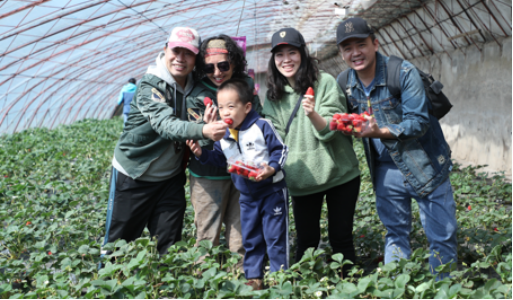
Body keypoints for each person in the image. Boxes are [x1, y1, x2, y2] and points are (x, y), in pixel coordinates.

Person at [336, 17, 457, 277]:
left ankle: (443, 288)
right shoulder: (345, 83)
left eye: (361, 44)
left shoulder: (401, 72)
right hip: (385, 172)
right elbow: (336, 120)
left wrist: (379, 131)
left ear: (375, 43)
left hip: (427, 167)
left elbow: (419, 122)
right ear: (341, 53)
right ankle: (395, 289)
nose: (355, 53)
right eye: (347, 48)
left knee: (442, 237)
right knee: (395, 234)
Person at [102, 27, 228, 257]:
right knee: (117, 246)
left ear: (196, 58)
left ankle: (164, 291)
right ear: (165, 50)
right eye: (175, 50)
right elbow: (166, 125)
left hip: (170, 180)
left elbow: (201, 134)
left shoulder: (198, 88)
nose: (180, 58)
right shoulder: (150, 85)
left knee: (168, 247)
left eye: (188, 53)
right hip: (134, 176)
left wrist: (206, 126)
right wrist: (204, 128)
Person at [261, 28, 361, 276]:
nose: (286, 59)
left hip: (340, 175)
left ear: (303, 54)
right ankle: (304, 289)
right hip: (301, 180)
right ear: (273, 60)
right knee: (306, 242)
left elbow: (331, 129)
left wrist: (312, 113)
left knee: (342, 239)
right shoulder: (273, 94)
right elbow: (274, 139)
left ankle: (351, 289)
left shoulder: (325, 82)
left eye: (292, 52)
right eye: (279, 54)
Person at [186, 78, 289, 290]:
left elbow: (281, 150)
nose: (225, 113)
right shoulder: (223, 135)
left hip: (272, 191)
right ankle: (254, 277)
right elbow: (220, 159)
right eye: (221, 107)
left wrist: (271, 168)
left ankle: (281, 278)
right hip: (247, 196)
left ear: (247, 107)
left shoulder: (262, 126)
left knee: (275, 236)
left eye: (231, 107)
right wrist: (201, 153)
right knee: (250, 237)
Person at [185, 35, 263, 267]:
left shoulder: (246, 87)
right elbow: (194, 135)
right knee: (207, 236)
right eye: (209, 67)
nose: (217, 72)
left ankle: (240, 280)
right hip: (208, 175)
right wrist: (205, 128)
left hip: (241, 172)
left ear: (235, 62)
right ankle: (207, 284)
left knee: (241, 233)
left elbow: (260, 122)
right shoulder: (196, 94)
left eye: (223, 65)